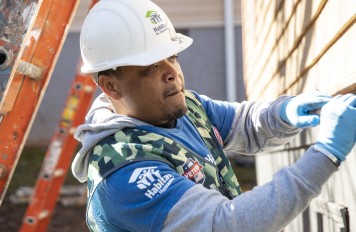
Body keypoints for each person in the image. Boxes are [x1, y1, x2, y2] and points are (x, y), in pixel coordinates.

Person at [71, 0, 356, 231]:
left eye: (172, 57)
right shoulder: (124, 173)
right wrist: (325, 154)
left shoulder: (186, 109)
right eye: (150, 67)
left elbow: (245, 124)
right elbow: (226, 224)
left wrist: (286, 111)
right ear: (111, 85)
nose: (172, 73)